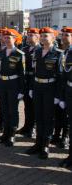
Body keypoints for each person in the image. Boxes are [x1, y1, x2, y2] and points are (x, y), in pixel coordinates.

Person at [26, 27, 63, 159]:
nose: (42, 38)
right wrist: (31, 88)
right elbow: (33, 72)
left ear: (53, 38)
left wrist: (58, 96)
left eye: (46, 36)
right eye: (41, 36)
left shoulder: (58, 54)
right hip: (37, 87)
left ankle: (45, 145)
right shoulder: (37, 52)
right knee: (38, 116)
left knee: (47, 117)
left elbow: (60, 77)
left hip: (50, 88)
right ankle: (38, 143)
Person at [0, 29, 25, 147]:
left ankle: (12, 134)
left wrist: (22, 90)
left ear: (15, 39)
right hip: (2, 84)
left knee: (13, 110)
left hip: (13, 85)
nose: (7, 39)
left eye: (9, 38)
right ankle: (5, 133)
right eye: (5, 38)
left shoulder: (19, 54)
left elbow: (22, 74)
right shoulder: (0, 53)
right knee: (4, 109)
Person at [18, 28, 41, 138]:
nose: (28, 37)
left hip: (34, 80)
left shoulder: (40, 50)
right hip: (25, 79)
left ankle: (33, 128)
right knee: (27, 105)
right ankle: (27, 126)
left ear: (37, 37)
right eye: (28, 35)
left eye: (31, 35)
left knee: (34, 107)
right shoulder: (24, 49)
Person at [59, 27, 72, 168]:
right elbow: (64, 76)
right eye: (63, 35)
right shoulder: (67, 52)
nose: (63, 37)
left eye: (66, 35)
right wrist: (62, 97)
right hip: (69, 89)